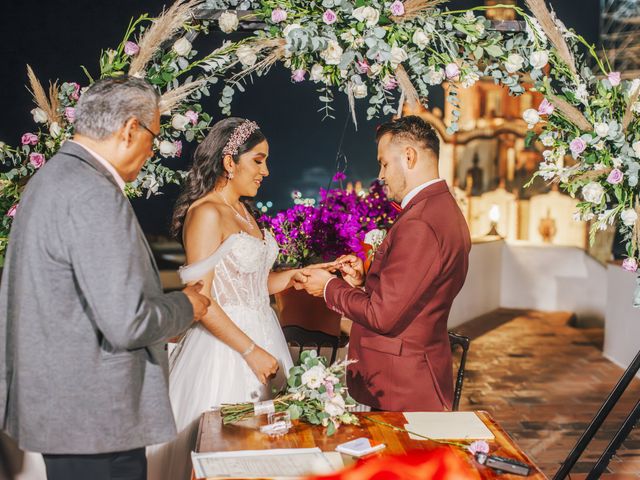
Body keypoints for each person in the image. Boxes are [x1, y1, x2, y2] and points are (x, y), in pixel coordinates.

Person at [0, 77, 211, 480]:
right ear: (131, 129)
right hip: (96, 420)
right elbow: (127, 321)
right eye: (154, 135)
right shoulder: (92, 192)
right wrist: (187, 305)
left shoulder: (52, 179)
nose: (152, 150)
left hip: (66, 413)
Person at [147, 118, 301, 480]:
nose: (266, 170)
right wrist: (250, 351)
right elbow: (201, 297)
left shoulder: (245, 213)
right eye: (258, 160)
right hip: (225, 351)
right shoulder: (206, 212)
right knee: (229, 452)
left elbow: (249, 287)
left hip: (265, 336)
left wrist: (292, 277)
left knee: (266, 454)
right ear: (230, 162)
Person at [296, 116, 471, 412]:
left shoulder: (421, 223)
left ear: (409, 156)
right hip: (410, 374)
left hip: (401, 384)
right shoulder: (441, 209)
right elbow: (412, 294)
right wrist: (364, 283)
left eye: (384, 164)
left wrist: (329, 287)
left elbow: (383, 315)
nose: (381, 175)